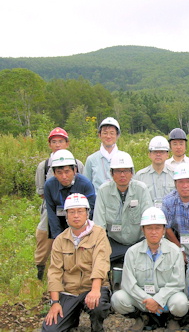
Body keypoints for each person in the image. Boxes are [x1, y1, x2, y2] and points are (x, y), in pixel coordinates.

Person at [111, 207, 189, 332]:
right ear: (143, 230)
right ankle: (142, 317)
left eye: (157, 228)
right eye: (149, 228)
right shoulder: (132, 252)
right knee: (118, 298)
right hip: (142, 300)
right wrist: (148, 300)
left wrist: (158, 299)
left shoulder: (174, 251)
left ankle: (171, 318)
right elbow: (128, 284)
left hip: (166, 298)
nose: (153, 232)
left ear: (164, 230)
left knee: (181, 303)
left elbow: (178, 283)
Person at [43, 193, 111, 332]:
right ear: (66, 215)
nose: (76, 215)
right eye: (72, 212)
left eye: (80, 211)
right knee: (51, 329)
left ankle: (97, 327)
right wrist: (55, 302)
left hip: (92, 287)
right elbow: (54, 272)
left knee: (98, 307)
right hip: (70, 291)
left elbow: (101, 262)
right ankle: (71, 319)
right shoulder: (60, 240)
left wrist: (95, 289)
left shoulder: (99, 233)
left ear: (87, 213)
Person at [35, 127, 85, 280]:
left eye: (61, 141)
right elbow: (41, 191)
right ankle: (41, 268)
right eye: (54, 142)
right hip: (51, 206)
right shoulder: (43, 166)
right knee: (44, 235)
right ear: (50, 144)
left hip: (75, 207)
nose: (57, 145)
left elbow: (82, 185)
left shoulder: (77, 164)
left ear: (67, 143)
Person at [93, 151, 153, 262]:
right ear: (111, 173)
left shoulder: (141, 189)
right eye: (118, 171)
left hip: (138, 242)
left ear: (132, 172)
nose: (122, 175)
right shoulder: (103, 191)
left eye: (126, 171)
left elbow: (149, 220)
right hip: (113, 242)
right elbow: (99, 225)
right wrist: (103, 248)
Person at [44, 149, 96, 239]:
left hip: (82, 224)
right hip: (59, 221)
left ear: (75, 170)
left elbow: (91, 211)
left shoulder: (85, 184)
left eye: (67, 171)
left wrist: (81, 234)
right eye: (59, 173)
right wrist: (58, 238)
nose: (64, 176)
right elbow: (51, 213)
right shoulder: (49, 185)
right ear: (54, 173)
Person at [134, 136, 175, 208]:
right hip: (147, 216)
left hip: (169, 217)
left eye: (162, 152)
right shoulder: (140, 176)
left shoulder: (174, 174)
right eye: (155, 152)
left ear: (167, 155)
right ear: (149, 154)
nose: (158, 154)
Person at [85, 117, 121, 192]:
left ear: (117, 135)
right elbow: (86, 185)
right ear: (99, 135)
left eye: (112, 133)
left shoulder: (124, 157)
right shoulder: (91, 159)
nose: (108, 136)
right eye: (105, 133)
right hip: (97, 202)